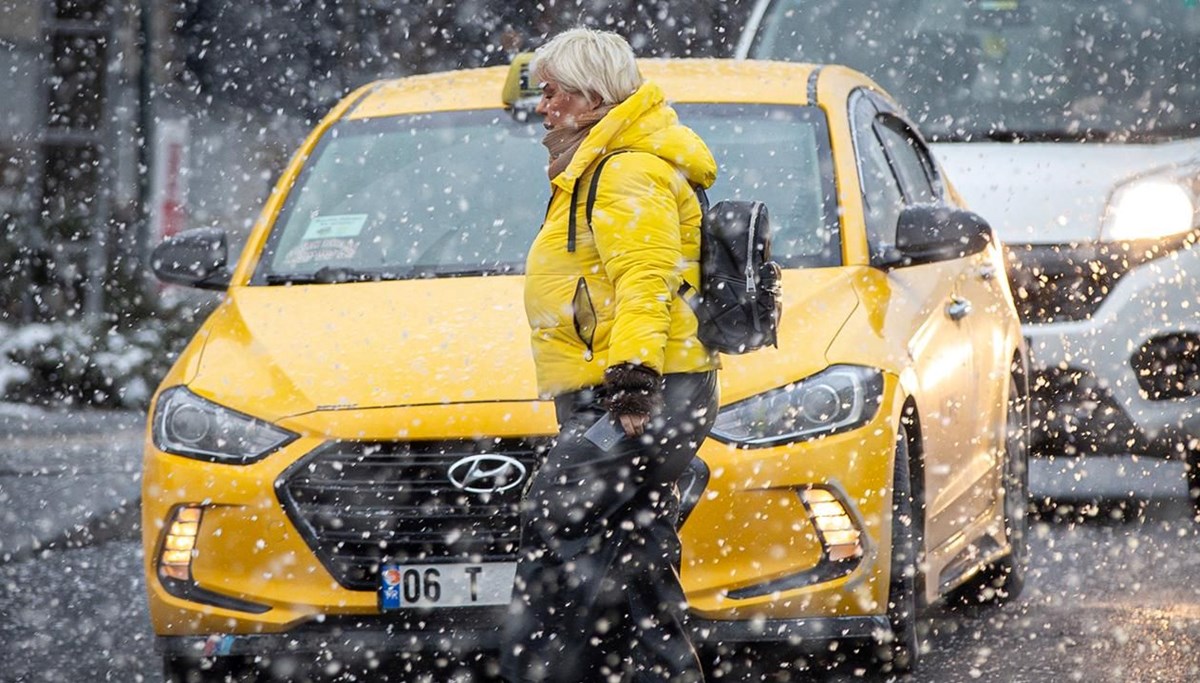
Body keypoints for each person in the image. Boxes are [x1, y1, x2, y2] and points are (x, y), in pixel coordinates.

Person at [501, 28, 719, 683]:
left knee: (555, 515)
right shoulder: (600, 162)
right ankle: (661, 672)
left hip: (639, 392)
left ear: (592, 97)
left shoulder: (626, 168)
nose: (542, 107)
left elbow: (646, 278)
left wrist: (631, 384)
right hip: (644, 388)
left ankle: (542, 672)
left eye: (553, 93)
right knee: (636, 548)